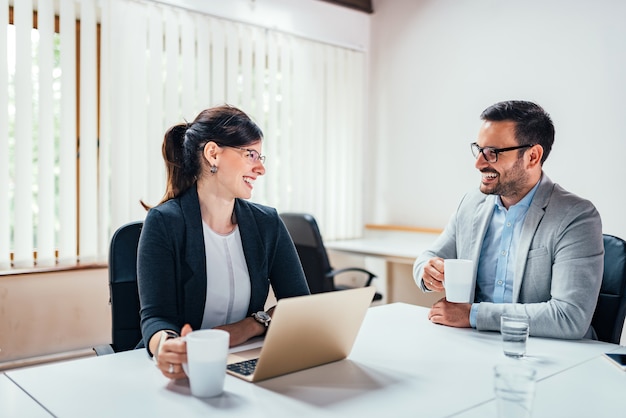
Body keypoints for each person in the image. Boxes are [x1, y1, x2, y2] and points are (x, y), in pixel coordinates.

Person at [137, 104, 310, 379]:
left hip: (249, 359)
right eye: (250, 154)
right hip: (188, 368)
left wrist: (250, 326)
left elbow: (300, 305)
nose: (261, 168)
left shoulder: (267, 223)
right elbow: (156, 318)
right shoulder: (164, 223)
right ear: (213, 154)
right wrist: (166, 346)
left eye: (260, 156)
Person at [412, 100, 604, 339]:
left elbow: (569, 317)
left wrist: (472, 315)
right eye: (479, 149)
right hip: (476, 345)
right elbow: (429, 257)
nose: (479, 163)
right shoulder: (472, 204)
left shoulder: (576, 217)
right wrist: (426, 270)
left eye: (493, 153)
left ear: (532, 156)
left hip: (548, 354)